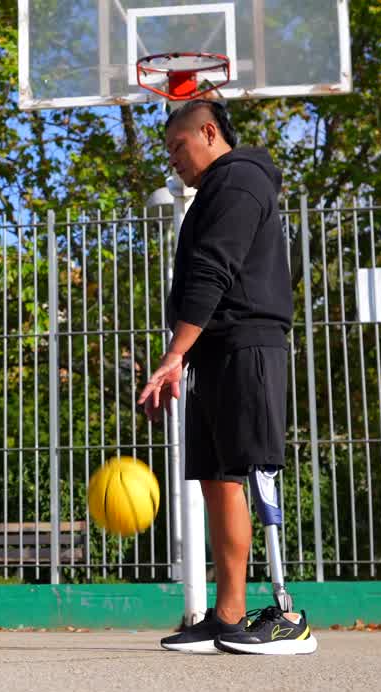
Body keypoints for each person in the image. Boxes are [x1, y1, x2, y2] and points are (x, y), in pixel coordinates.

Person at [138, 100, 316, 655]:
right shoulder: (217, 190)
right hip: (214, 350)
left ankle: (288, 616)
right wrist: (188, 355)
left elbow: (216, 266)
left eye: (178, 147)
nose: (174, 162)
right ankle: (229, 615)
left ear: (208, 132)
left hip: (248, 343)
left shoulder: (239, 180)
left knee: (255, 468)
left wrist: (173, 355)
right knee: (219, 479)